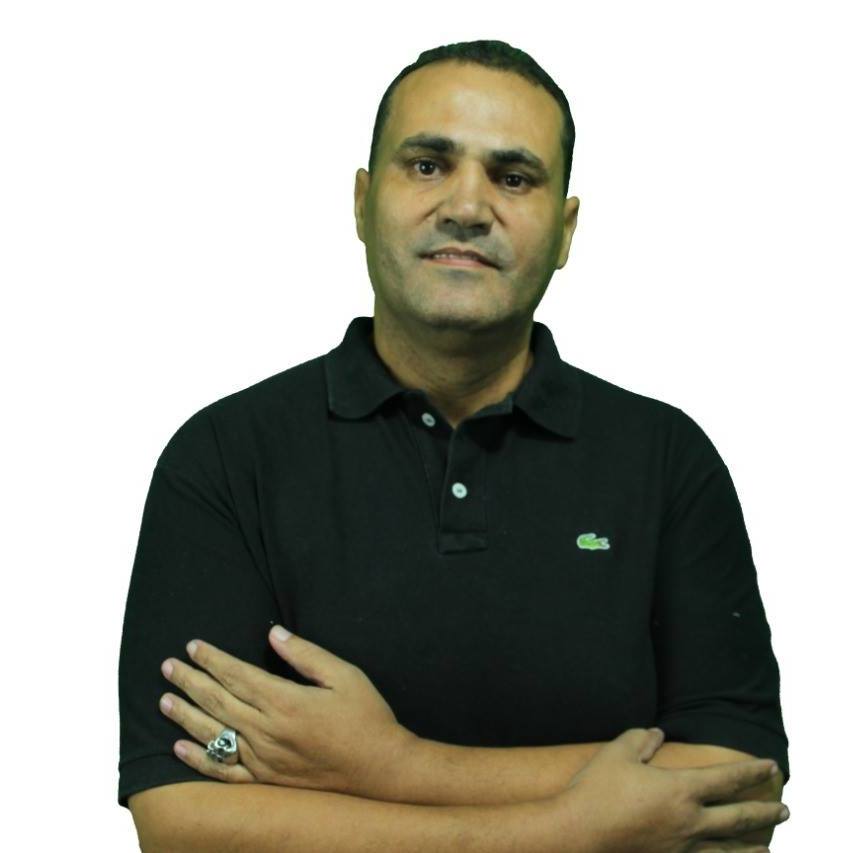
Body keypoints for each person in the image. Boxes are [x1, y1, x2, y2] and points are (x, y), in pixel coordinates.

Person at [119, 39, 790, 851]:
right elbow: (183, 821)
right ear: (362, 201)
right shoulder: (227, 456)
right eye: (428, 165)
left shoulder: (666, 459)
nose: (467, 206)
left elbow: (739, 783)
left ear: (565, 229)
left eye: (513, 177)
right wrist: (567, 830)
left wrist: (393, 763)